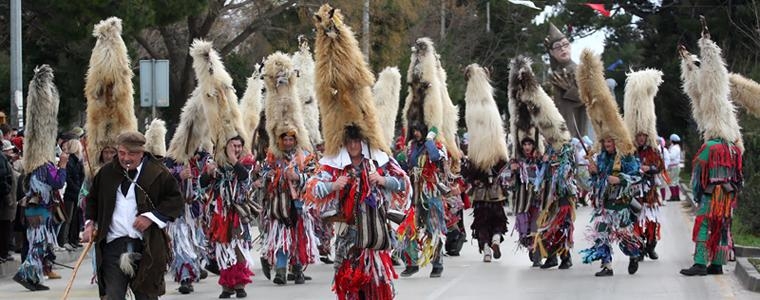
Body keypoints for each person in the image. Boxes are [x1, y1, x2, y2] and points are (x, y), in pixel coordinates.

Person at [304, 125, 408, 299]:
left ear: (364, 141)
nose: (353, 146)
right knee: (349, 284)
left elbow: (404, 183)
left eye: (357, 141)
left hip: (374, 235)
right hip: (348, 236)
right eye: (349, 141)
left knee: (375, 284)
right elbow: (311, 188)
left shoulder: (379, 161)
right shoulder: (334, 165)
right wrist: (333, 185)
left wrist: (382, 180)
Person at [82, 132, 183, 299]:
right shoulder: (107, 173)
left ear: (142, 153)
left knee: (146, 296)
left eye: (131, 154)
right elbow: (92, 200)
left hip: (146, 247)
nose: (125, 158)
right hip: (113, 245)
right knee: (113, 296)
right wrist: (89, 223)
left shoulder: (157, 172)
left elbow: (175, 201)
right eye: (121, 153)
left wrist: (151, 217)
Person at [678, 23, 743, 276]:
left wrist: (697, 193)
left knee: (705, 224)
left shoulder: (709, 148)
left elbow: (697, 176)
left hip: (710, 193)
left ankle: (699, 264)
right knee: (723, 224)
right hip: (727, 194)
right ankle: (717, 264)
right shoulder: (733, 148)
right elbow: (739, 174)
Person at [576, 50, 643, 277]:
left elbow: (637, 176)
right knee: (601, 234)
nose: (607, 145)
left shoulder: (626, 157)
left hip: (622, 205)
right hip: (605, 205)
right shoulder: (602, 157)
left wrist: (621, 178)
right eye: (603, 142)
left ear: (616, 140)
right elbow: (596, 181)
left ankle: (633, 254)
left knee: (625, 237)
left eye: (609, 141)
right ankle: (607, 266)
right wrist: (594, 173)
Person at [13, 65, 68, 291]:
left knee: (38, 244)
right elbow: (58, 182)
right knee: (37, 244)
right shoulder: (44, 166)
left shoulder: (35, 166)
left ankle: (32, 276)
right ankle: (27, 275)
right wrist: (62, 165)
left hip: (36, 211)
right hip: (40, 211)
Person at [462, 64, 510, 263]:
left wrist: (468, 173)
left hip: (481, 189)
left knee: (481, 221)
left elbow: (469, 172)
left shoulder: (471, 110)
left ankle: (487, 250)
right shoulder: (491, 110)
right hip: (496, 189)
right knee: (498, 218)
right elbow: (504, 165)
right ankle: (497, 238)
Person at [545, 22, 587, 137]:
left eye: (565, 45)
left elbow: (587, 99)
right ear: (552, 53)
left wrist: (569, 89)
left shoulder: (579, 70)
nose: (563, 49)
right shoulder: (557, 72)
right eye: (558, 47)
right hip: (559, 128)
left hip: (576, 130)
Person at [60, 137, 85, 250]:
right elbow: (69, 179)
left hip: (76, 192)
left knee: (75, 218)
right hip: (70, 193)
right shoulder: (70, 162)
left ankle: (72, 238)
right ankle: (64, 240)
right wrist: (77, 189)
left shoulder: (77, 162)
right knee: (68, 218)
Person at [0, 139, 16, 262]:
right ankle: (3, 252)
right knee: (4, 227)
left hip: (5, 197)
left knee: (6, 226)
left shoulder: (4, 159)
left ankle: (4, 252)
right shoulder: (2, 159)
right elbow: (4, 179)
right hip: (4, 198)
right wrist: (8, 196)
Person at [667, 134, 683, 201]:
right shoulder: (676, 147)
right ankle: (677, 196)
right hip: (675, 166)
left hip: (673, 167)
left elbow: (672, 156)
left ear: (672, 140)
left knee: (671, 182)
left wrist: (666, 154)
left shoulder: (674, 148)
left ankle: (673, 196)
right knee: (675, 182)